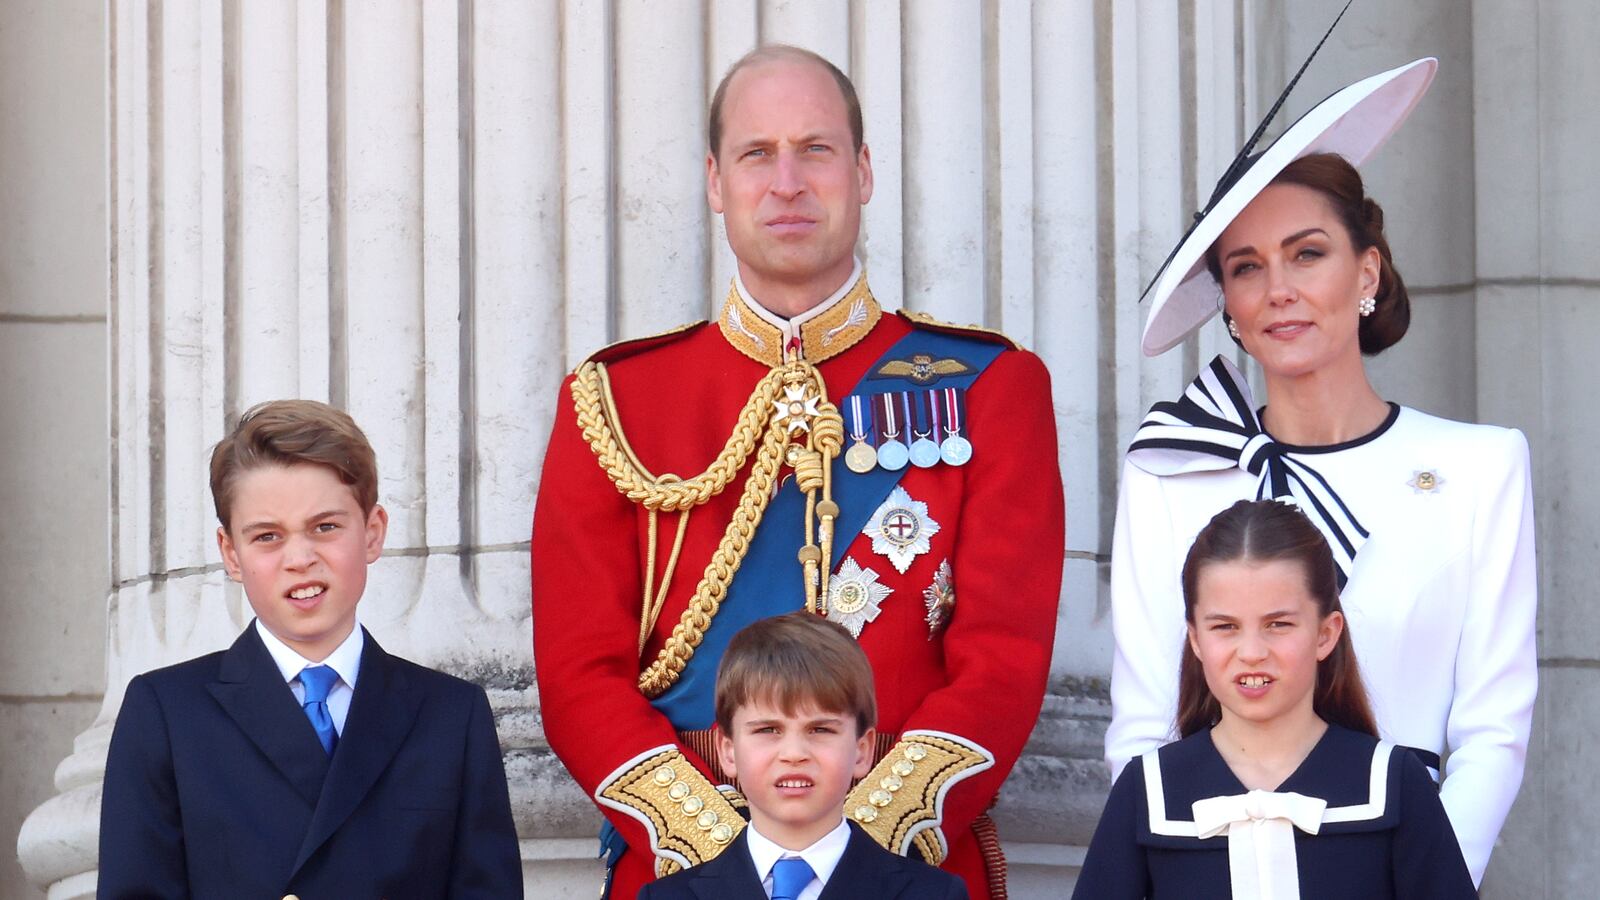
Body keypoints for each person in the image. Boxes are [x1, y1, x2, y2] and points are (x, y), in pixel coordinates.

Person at [532, 44, 1064, 899]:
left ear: (862, 172)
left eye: (814, 149)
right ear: (715, 182)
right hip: (686, 873)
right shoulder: (616, 401)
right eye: (756, 153)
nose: (786, 182)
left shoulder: (990, 387)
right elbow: (576, 673)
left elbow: (1001, 660)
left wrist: (853, 856)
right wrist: (722, 861)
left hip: (904, 872)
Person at [1105, 57, 1536, 886]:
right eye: (1247, 267)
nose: (1279, 291)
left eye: (1308, 254)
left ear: (1366, 271)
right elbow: (1144, 730)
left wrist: (1417, 875)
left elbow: (1494, 730)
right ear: (1227, 303)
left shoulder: (1481, 468)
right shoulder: (1171, 471)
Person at [98, 400, 522, 899]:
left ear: (373, 532)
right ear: (231, 554)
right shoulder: (167, 713)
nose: (300, 558)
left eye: (325, 527)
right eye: (267, 536)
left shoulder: (451, 715)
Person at [1076, 501, 1476, 899]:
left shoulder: (1394, 782)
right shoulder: (1148, 790)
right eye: (1225, 627)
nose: (1252, 651)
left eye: (1278, 624)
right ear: (1196, 639)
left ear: (1326, 633)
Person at [639, 612, 968, 899]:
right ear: (728, 751)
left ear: (861, 750)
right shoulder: (667, 896)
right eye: (768, 730)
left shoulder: (935, 894)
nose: (794, 754)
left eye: (820, 730)